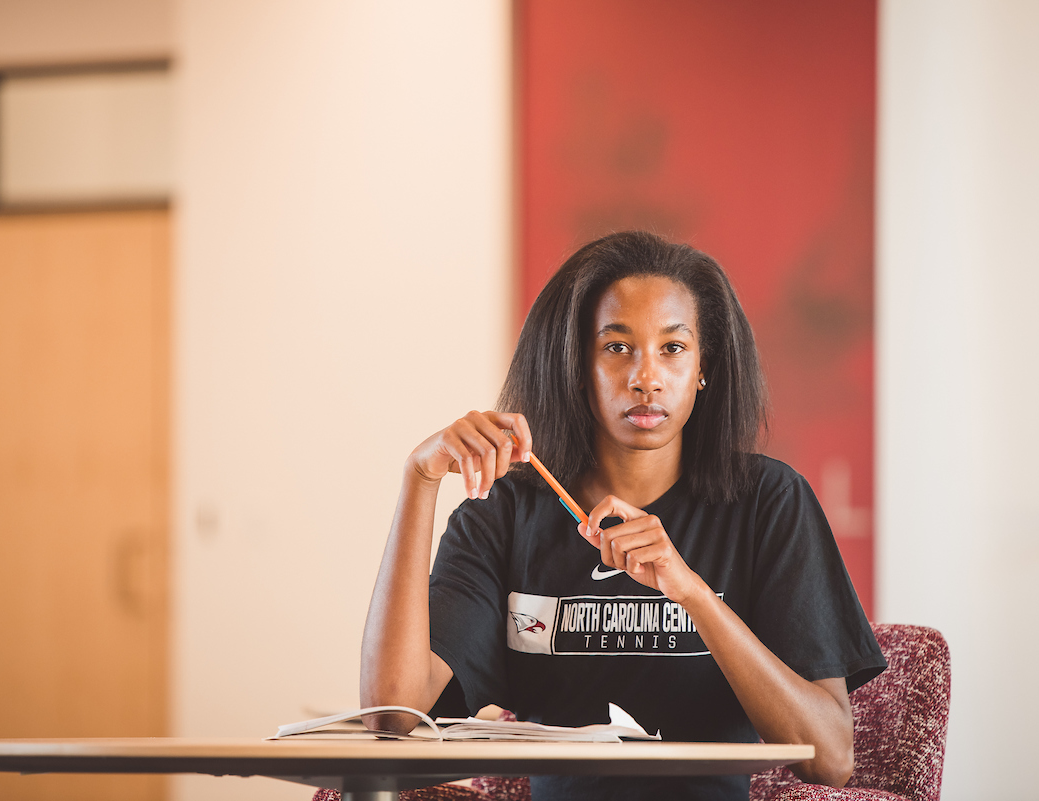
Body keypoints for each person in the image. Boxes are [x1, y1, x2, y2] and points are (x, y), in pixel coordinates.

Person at [360, 231, 886, 801]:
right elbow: (392, 712)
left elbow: (831, 756)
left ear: (704, 366)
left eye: (673, 348)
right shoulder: (505, 514)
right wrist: (420, 478)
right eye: (617, 348)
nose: (646, 377)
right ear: (577, 366)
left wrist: (692, 593)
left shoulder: (768, 501)